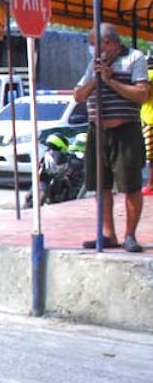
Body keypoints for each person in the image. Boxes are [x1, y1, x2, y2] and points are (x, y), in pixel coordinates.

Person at [73, 23, 149, 252]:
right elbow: (78, 95)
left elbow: (142, 95)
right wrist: (97, 78)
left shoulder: (135, 58)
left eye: (94, 44)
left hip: (125, 132)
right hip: (98, 132)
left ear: (108, 43)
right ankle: (108, 234)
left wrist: (111, 82)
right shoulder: (94, 64)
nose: (92, 49)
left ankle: (130, 235)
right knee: (100, 185)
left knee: (131, 185)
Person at [141, 85, 153, 196]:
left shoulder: (148, 74)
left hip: (150, 119)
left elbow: (143, 96)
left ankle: (150, 185)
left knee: (151, 157)